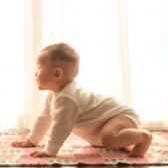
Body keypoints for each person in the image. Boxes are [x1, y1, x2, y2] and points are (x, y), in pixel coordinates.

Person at [11, 42, 152, 157]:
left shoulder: (68, 98)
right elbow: (44, 119)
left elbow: (61, 127)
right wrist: (31, 140)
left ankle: (144, 138)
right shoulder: (53, 95)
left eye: (39, 67)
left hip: (122, 116)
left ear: (57, 74)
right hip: (109, 121)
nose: (36, 73)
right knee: (102, 140)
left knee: (108, 138)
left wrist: (50, 151)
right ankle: (122, 139)